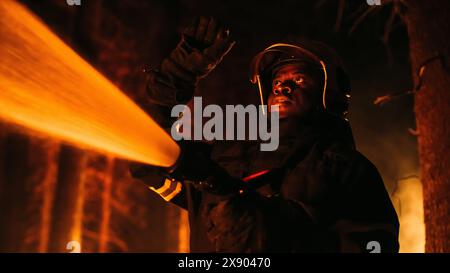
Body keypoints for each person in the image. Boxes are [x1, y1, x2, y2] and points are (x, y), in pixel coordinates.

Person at [130, 17, 399, 253]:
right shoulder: (226, 158)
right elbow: (144, 153)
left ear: (328, 92)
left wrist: (267, 229)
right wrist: (175, 79)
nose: (283, 87)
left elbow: (374, 245)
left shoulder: (348, 170)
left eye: (300, 79)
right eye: (277, 82)